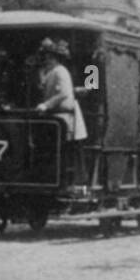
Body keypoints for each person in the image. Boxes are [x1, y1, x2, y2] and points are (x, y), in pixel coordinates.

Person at [35, 38, 88, 184]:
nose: (45, 59)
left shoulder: (61, 71)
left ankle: (72, 182)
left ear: (53, 57)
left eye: (47, 56)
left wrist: (46, 105)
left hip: (64, 117)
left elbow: (64, 93)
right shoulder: (49, 72)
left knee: (66, 151)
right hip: (55, 116)